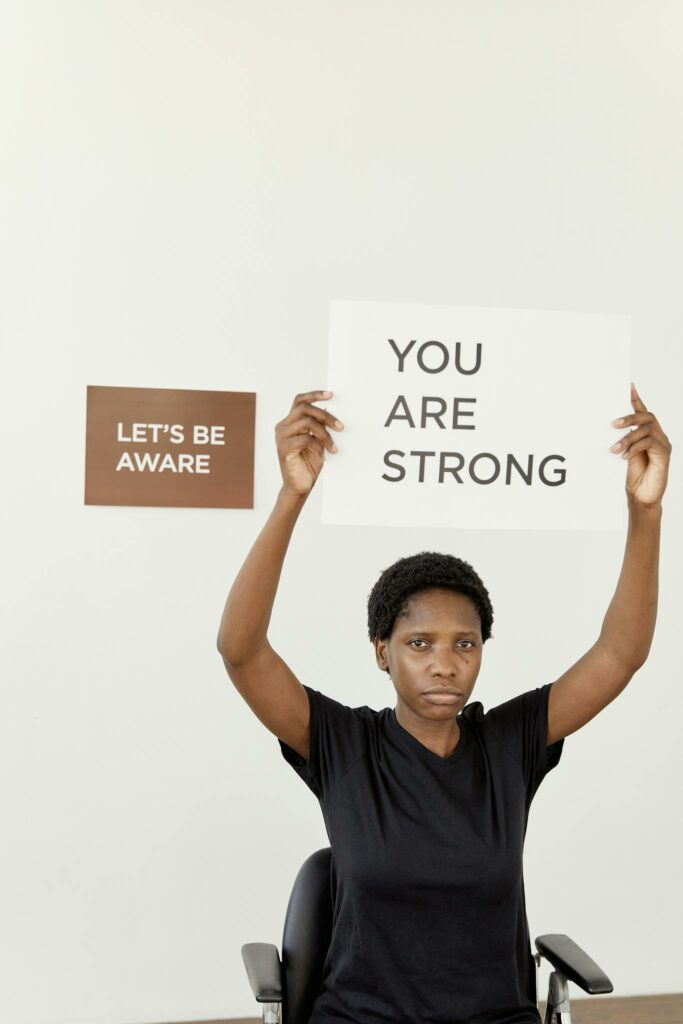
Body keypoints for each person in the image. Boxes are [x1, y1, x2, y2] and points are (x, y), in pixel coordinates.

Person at [217, 385, 670, 1024]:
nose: (444, 663)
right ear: (382, 651)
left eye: (465, 643)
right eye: (418, 643)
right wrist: (292, 496)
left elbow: (620, 654)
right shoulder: (344, 745)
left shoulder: (508, 745)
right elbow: (241, 652)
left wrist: (645, 513)